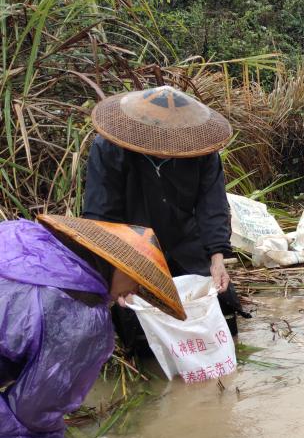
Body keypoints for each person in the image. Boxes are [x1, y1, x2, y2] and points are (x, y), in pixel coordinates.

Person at [0, 214, 185, 438]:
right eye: (136, 281)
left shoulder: (20, 235)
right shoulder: (82, 317)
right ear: (116, 265)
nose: (133, 292)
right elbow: (33, 414)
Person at [83, 86, 244, 351]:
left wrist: (217, 259)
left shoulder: (202, 151)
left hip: (185, 243)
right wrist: (118, 270)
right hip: (134, 251)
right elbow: (101, 215)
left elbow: (212, 205)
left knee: (221, 301)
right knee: (135, 322)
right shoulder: (110, 148)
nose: (166, 147)